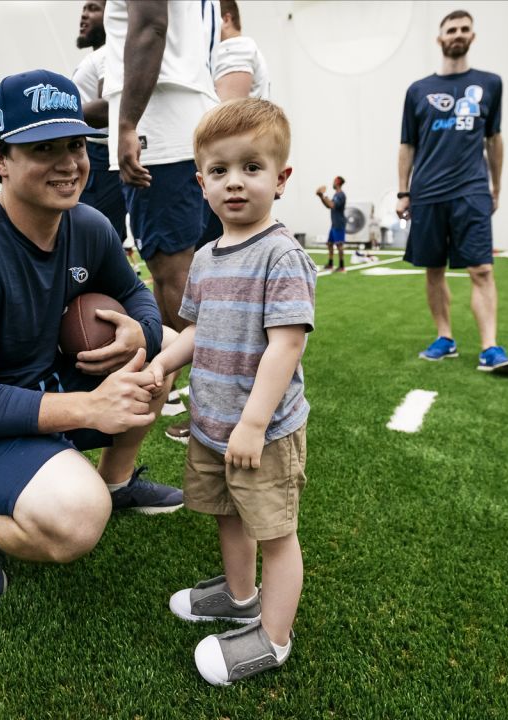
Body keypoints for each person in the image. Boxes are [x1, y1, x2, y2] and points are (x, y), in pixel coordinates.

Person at [0, 70, 186, 604]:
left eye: (75, 144)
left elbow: (140, 296)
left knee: (167, 341)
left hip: (43, 385)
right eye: (43, 148)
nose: (69, 163)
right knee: (76, 519)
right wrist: (88, 407)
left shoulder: (89, 224)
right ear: (0, 159)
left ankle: (117, 481)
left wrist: (138, 332)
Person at [146, 99, 314, 685]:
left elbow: (285, 346)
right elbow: (197, 330)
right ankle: (241, 597)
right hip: (211, 424)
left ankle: (272, 638)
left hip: (260, 433)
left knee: (274, 533)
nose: (234, 182)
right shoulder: (206, 257)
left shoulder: (281, 254)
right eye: (219, 171)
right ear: (201, 182)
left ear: (281, 178)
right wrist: (161, 364)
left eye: (252, 167)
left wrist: (251, 422)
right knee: (227, 515)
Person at [104, 0, 223, 443]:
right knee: (184, 273)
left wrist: (127, 122)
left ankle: (212, 405)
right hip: (186, 115)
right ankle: (192, 388)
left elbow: (151, 25)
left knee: (175, 275)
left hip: (162, 122)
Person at [395, 10, 508, 374]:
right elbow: (407, 145)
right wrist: (404, 192)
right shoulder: (418, 90)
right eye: (451, 29)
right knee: (433, 269)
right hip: (428, 192)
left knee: (481, 269)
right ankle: (445, 338)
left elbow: (494, 140)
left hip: (472, 190)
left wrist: (496, 188)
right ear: (440, 39)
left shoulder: (490, 83)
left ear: (472, 37)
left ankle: (490, 348)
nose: (457, 34)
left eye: (464, 29)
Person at [74, 0, 129, 247]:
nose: (84, 15)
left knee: (96, 239)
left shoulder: (110, 53)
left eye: (94, 9)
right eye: (84, 9)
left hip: (101, 157)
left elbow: (110, 107)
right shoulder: (99, 56)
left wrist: (55, 114)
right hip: (95, 155)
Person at [213, 0, 269, 101]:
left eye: (210, 20)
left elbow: (228, 113)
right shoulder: (245, 48)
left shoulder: (235, 48)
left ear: (226, 20)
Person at [315, 176, 348, 272]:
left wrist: (323, 194)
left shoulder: (341, 195)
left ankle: (342, 266)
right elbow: (328, 205)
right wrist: (321, 197)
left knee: (339, 245)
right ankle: (330, 264)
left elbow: (331, 205)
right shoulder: (336, 195)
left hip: (339, 223)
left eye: (334, 182)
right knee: (330, 244)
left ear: (337, 183)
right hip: (334, 224)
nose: (332, 183)